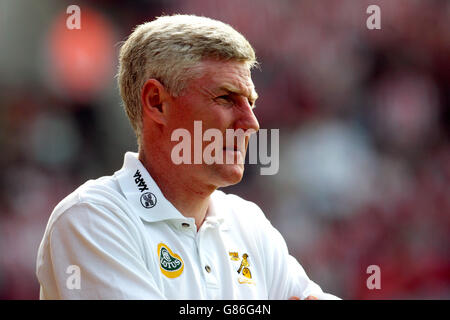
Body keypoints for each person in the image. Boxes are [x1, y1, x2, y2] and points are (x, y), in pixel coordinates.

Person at [36, 14, 339, 300]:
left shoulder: (249, 224)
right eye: (226, 98)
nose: (251, 123)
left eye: (250, 102)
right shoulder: (92, 218)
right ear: (157, 102)